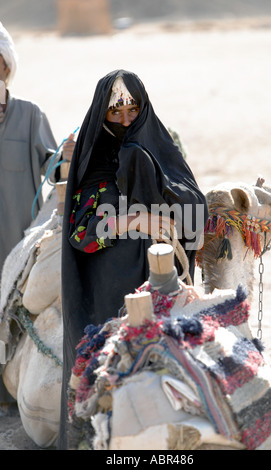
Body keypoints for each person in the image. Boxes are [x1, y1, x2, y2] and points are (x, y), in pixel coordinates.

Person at [59, 69, 208, 448]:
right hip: (112, 292)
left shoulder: (161, 148)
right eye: (115, 113)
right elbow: (82, 233)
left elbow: (193, 209)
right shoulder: (95, 163)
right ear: (102, 115)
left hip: (165, 281)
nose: (126, 120)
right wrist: (134, 220)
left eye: (132, 110)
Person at [0, 22, 74, 407]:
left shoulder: (29, 116)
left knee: (17, 321)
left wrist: (68, 155)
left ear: (4, 66)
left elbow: (56, 168)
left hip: (16, 249)